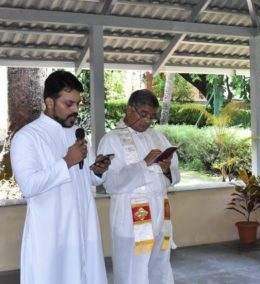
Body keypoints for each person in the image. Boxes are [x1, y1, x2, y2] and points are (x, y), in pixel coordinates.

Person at [10, 70, 111, 284]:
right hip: (51, 236)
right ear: (49, 102)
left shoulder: (77, 134)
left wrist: (98, 170)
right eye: (69, 104)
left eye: (77, 104)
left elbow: (89, 179)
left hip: (84, 230)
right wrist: (66, 162)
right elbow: (29, 186)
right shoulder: (26, 138)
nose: (75, 110)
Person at [97, 89, 180, 284]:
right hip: (131, 215)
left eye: (151, 116)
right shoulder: (112, 139)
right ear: (129, 109)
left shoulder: (159, 137)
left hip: (160, 209)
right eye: (143, 114)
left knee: (159, 264)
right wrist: (144, 163)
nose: (147, 120)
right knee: (133, 269)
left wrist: (167, 169)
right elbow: (111, 183)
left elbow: (175, 174)